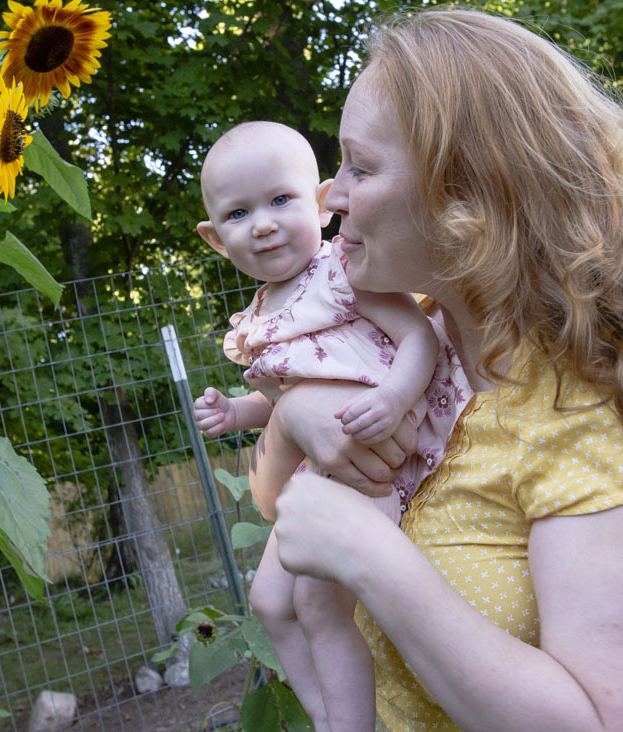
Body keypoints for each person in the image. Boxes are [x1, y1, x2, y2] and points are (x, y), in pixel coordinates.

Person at [251, 8, 623, 732]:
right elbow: (283, 510)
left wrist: (371, 559)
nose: (331, 197)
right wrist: (294, 418)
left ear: (469, 193)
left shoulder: (602, 406)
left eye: (361, 166)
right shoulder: (416, 337)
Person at [192, 120, 471, 732]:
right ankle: (328, 718)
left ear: (321, 205)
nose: (262, 224)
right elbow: (288, 400)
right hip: (317, 474)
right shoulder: (257, 321)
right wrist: (235, 412)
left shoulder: (342, 271)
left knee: (318, 603)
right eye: (238, 213)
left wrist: (395, 397)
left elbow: (418, 338)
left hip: (375, 462)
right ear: (216, 239)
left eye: (280, 200)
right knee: (268, 602)